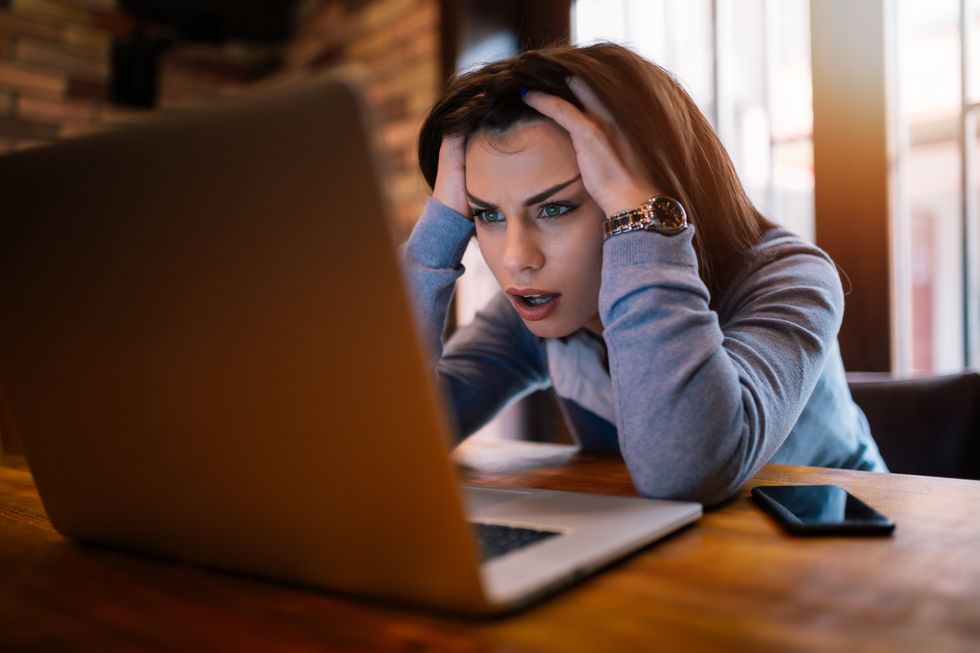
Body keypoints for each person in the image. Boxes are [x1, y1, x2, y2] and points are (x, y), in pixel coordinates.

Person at [400, 42, 886, 505]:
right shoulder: (539, 302)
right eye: (487, 215)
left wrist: (642, 217)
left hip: (860, 555)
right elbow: (392, 438)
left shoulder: (792, 278)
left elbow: (686, 472)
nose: (515, 258)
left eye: (554, 209)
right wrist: (438, 228)